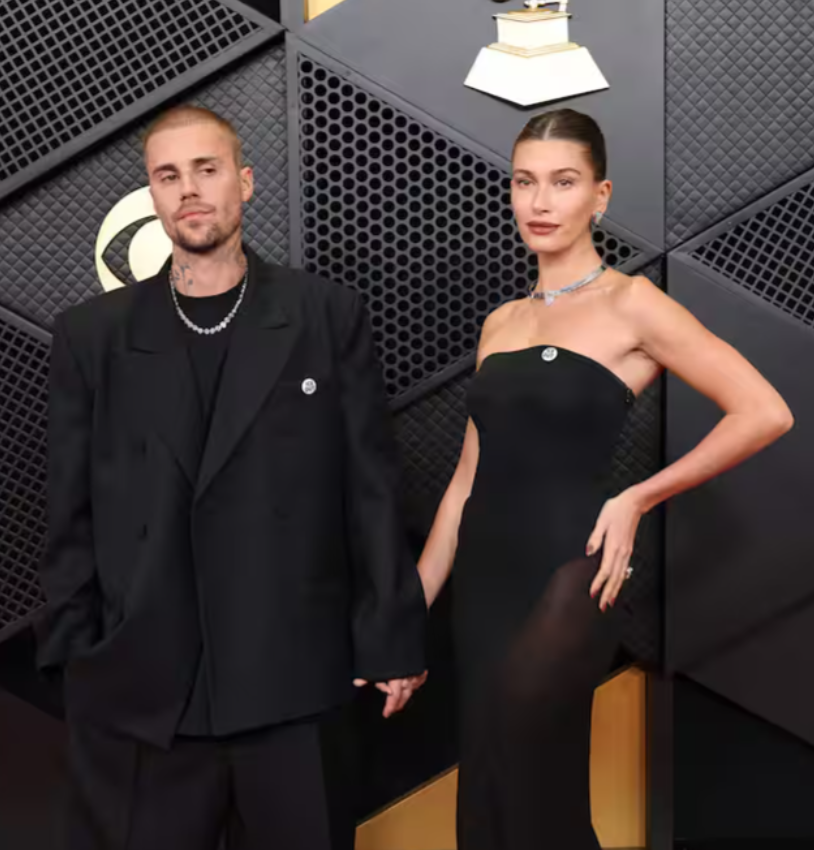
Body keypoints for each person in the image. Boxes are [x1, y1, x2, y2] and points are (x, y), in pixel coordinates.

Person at [36, 105, 427, 850]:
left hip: (294, 678)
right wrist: (75, 658)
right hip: (145, 693)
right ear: (152, 195)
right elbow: (70, 512)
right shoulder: (92, 336)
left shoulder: (325, 314)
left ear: (244, 183)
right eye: (168, 175)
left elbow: (370, 488)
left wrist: (392, 635)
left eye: (206, 169)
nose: (188, 189)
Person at [416, 108, 794, 850]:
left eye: (563, 182)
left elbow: (765, 411)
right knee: (488, 795)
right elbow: (465, 481)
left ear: (601, 195)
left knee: (528, 782)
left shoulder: (632, 303)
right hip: (484, 586)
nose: (539, 202)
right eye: (524, 182)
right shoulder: (501, 323)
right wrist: (410, 608)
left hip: (571, 571)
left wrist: (639, 496)